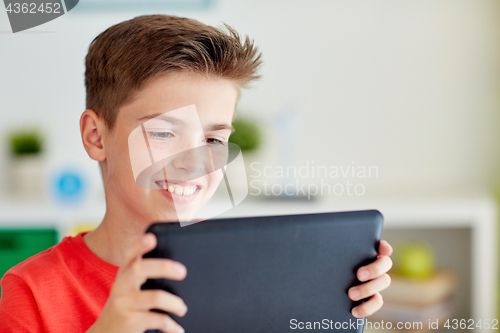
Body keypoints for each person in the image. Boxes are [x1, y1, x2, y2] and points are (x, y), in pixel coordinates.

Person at [0, 14, 393, 333]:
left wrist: (334, 309)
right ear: (96, 137)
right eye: (163, 133)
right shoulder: (29, 293)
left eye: (212, 140)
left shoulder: (256, 269)